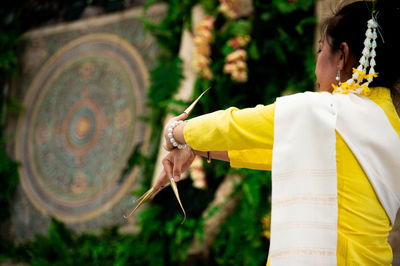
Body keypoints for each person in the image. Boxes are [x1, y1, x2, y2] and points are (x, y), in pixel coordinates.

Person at [153, 1, 400, 265]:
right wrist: (195, 147)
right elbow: (281, 149)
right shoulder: (390, 126)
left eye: (320, 50)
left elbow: (238, 124)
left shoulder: (326, 112)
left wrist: (175, 132)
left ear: (342, 55)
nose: (316, 65)